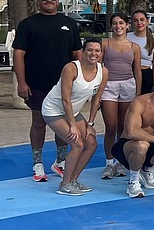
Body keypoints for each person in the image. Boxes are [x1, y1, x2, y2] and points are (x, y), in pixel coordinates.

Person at [13, 0, 83, 182]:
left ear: (58, 1)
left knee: (64, 124)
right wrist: (21, 82)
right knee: (38, 123)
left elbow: (77, 54)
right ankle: (38, 164)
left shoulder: (69, 23)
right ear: (38, 1)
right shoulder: (27, 25)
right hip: (36, 84)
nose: (48, 1)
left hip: (64, 86)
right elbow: (19, 54)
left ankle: (60, 162)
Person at [41, 38, 108, 196]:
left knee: (91, 143)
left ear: (101, 53)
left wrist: (90, 123)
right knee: (77, 143)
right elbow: (65, 98)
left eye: (97, 51)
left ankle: (72, 180)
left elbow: (96, 100)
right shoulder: (71, 68)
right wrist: (72, 125)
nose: (93, 53)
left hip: (73, 111)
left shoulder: (103, 71)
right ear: (83, 52)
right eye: (90, 50)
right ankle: (64, 184)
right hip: (54, 110)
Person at [100, 13, 143, 180]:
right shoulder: (105, 43)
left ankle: (120, 161)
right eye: (115, 23)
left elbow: (137, 71)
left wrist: (138, 93)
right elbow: (98, 67)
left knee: (123, 128)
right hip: (109, 85)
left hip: (128, 86)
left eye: (121, 23)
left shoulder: (134, 47)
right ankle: (109, 163)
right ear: (112, 26)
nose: (118, 26)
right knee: (110, 126)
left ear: (127, 26)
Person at [128, 10, 154, 95]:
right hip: (129, 75)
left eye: (142, 20)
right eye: (136, 20)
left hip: (146, 76)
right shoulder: (126, 37)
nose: (139, 23)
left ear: (147, 21)